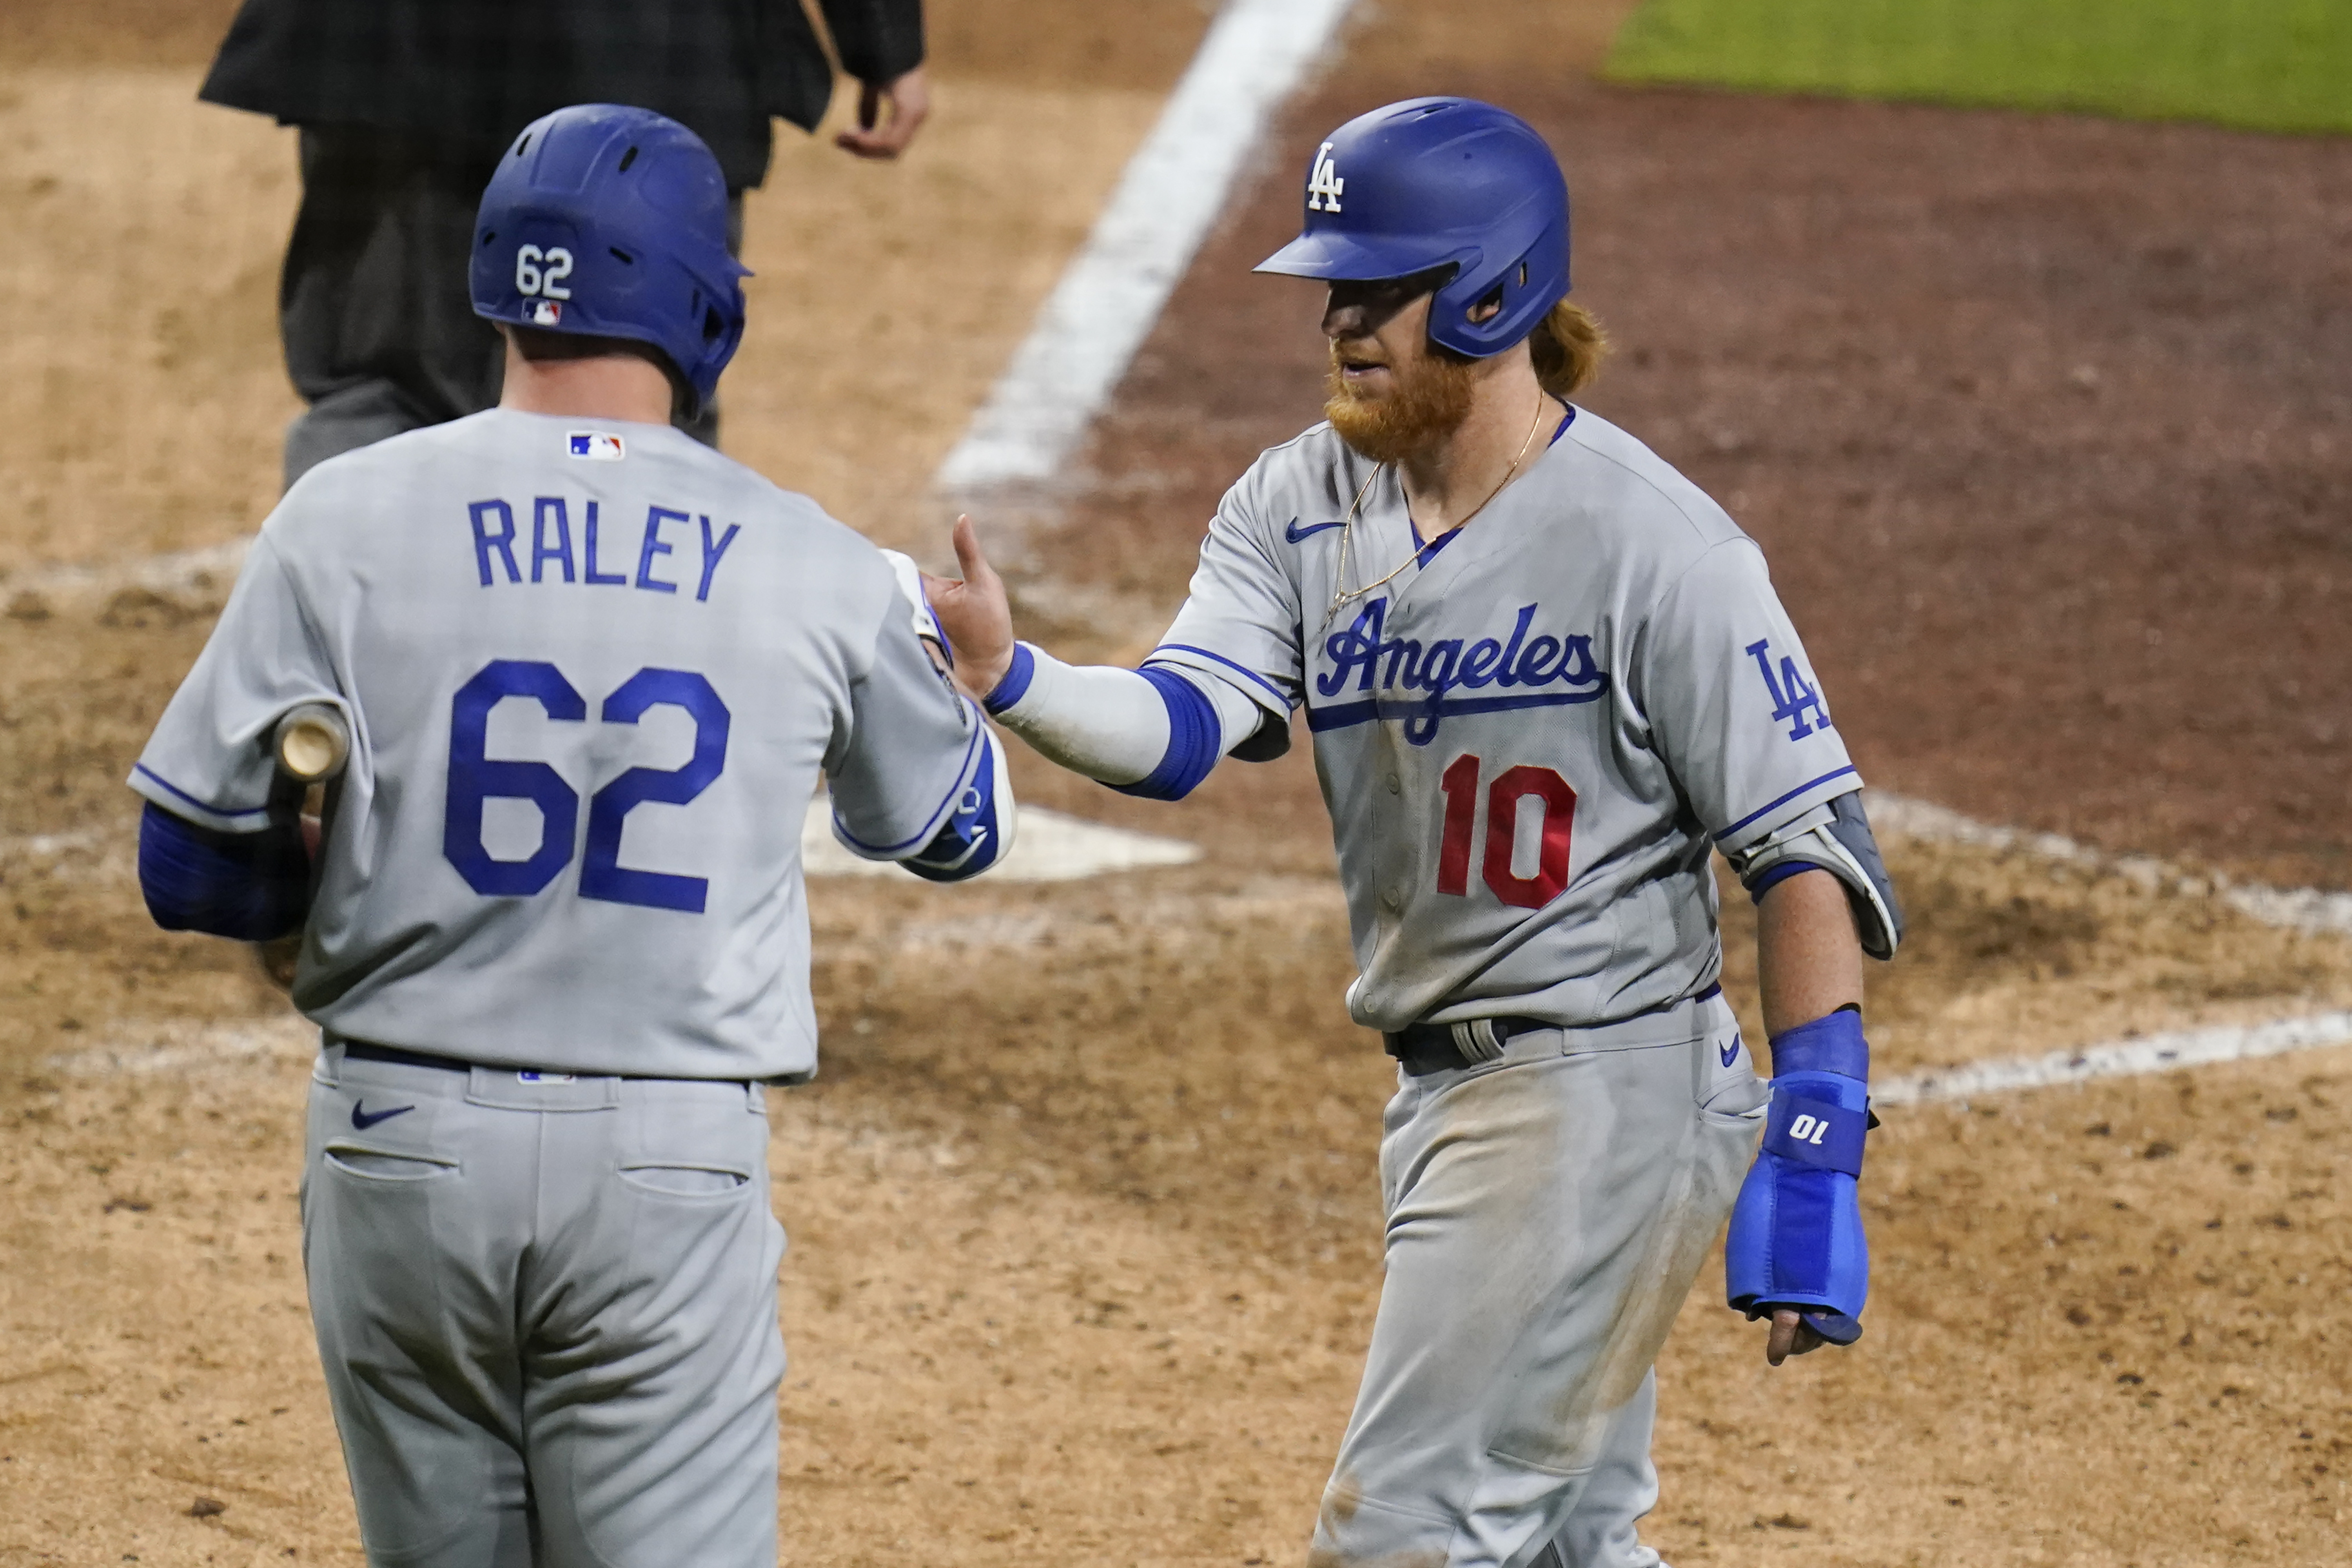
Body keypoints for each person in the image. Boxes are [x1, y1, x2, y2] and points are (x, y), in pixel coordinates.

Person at [921, 98, 1902, 1568]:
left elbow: (1800, 849)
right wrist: (1013, 679)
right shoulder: (1298, 504)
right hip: (1457, 1100)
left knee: (1404, 1536)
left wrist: (1816, 1143)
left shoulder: (1661, 547)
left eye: (1380, 289)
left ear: (1496, 291)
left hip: (1600, 1099)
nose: (1341, 322)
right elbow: (1185, 726)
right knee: (1572, 1530)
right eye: (1335, 288)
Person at [128, 105, 1009, 1566]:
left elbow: (188, 874)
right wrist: (972, 679)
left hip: (397, 1152)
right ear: (706, 304)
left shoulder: (337, 519)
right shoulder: (819, 562)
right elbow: (954, 832)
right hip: (663, 1176)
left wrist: (315, 858)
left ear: (494, 280)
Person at [198, 0, 929, 484]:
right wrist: (884, 34)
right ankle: (634, 695)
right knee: (635, 411)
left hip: (392, 46)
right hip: (656, 53)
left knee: (383, 397)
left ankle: (333, 699)